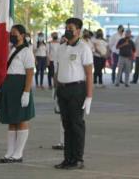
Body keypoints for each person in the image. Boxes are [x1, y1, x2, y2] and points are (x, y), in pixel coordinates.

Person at [54, 18, 93, 170]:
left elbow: (89, 74)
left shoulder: (84, 48)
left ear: (78, 31)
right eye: (66, 27)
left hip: (77, 89)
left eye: (71, 28)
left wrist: (89, 97)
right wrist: (55, 90)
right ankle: (67, 158)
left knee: (76, 124)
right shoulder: (61, 48)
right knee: (66, 124)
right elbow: (57, 71)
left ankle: (77, 159)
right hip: (62, 89)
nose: (68, 30)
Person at [0, 24, 35, 164]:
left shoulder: (26, 51)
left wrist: (26, 92)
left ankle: (18, 153)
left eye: (15, 33)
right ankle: (10, 152)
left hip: (20, 86)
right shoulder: (11, 49)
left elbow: (30, 72)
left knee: (21, 119)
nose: (12, 36)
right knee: (11, 121)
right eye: (11, 33)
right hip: (9, 86)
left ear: (22, 35)